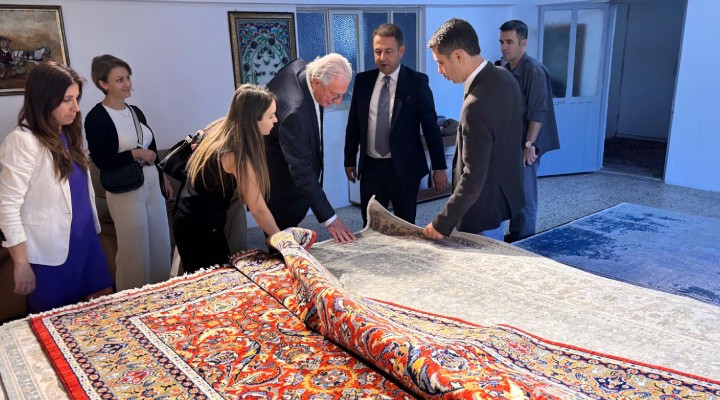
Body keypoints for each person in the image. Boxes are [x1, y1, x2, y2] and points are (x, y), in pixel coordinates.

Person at [0, 62, 113, 312]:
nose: (76, 108)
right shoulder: (22, 141)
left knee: (104, 316)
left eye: (76, 98)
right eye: (66, 100)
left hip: (86, 243)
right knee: (55, 326)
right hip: (50, 254)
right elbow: (7, 207)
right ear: (44, 99)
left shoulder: (68, 134)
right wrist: (21, 263)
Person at [423, 18, 525, 241]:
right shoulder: (504, 76)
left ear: (458, 56)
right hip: (502, 198)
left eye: (441, 62)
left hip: (482, 208)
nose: (439, 71)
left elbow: (473, 176)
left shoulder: (476, 104)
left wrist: (442, 223)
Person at [344, 23, 448, 226]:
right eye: (378, 51)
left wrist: (439, 167)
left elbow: (430, 127)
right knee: (371, 225)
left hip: (405, 169)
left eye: (388, 51)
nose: (382, 58)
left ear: (401, 51)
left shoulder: (417, 82)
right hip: (371, 168)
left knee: (405, 226)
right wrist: (349, 159)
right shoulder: (363, 81)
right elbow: (354, 123)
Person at [85, 54, 171, 291]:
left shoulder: (136, 112)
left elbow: (151, 147)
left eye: (128, 77)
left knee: (161, 244)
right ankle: (131, 300)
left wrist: (163, 176)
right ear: (103, 84)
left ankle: (163, 295)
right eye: (119, 80)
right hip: (125, 187)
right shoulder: (96, 117)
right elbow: (101, 160)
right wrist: (134, 154)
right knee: (134, 251)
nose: (127, 84)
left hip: (151, 181)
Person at [173, 84, 280, 273]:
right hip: (200, 225)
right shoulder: (237, 155)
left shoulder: (220, 127)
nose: (275, 120)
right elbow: (258, 208)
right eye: (271, 116)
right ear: (254, 118)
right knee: (213, 278)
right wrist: (283, 243)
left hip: (187, 214)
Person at [265, 53, 356, 243]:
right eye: (335, 95)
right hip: (279, 183)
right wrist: (331, 220)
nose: (338, 101)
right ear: (316, 83)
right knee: (281, 244)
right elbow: (302, 171)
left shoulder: (302, 69)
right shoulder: (294, 114)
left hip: (287, 156)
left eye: (343, 95)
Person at [499, 20, 560, 242]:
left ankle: (526, 240)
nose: (504, 47)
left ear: (523, 42)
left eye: (509, 42)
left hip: (528, 143)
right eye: (502, 42)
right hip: (514, 142)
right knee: (515, 190)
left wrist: (529, 145)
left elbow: (538, 112)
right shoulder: (506, 69)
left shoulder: (534, 71)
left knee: (525, 193)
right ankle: (516, 234)